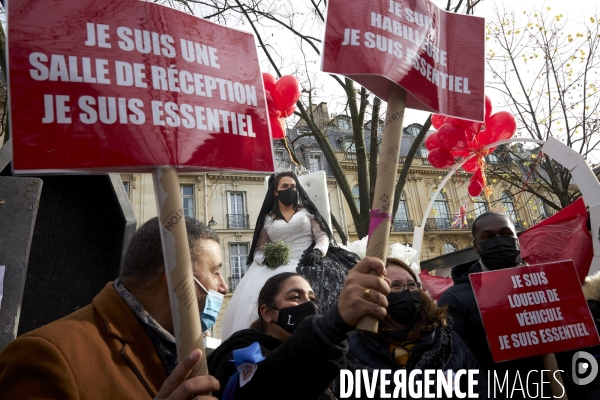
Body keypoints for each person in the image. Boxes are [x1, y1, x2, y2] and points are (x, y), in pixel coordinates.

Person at [0, 216, 227, 399]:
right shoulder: (45, 357)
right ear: (177, 278)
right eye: (215, 271)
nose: (224, 286)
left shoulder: (181, 348)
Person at [208, 257, 390, 400]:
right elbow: (260, 388)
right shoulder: (240, 351)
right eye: (295, 297)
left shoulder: (331, 356)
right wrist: (335, 323)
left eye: (312, 299)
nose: (308, 305)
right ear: (267, 313)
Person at [221, 171, 360, 339]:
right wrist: (266, 259)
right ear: (275, 191)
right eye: (285, 186)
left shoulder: (307, 212)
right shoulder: (267, 219)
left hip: (309, 258)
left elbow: (322, 236)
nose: (290, 190)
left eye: (293, 186)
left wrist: (318, 250)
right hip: (277, 265)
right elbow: (259, 249)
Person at [330, 257, 485, 399]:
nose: (407, 291)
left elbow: (481, 390)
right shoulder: (353, 352)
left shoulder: (447, 340)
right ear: (374, 293)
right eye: (396, 286)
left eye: (412, 285)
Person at [438, 211, 547, 399]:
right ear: (476, 246)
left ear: (516, 238)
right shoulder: (454, 300)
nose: (499, 240)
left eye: (506, 234)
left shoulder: (547, 282)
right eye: (488, 237)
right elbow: (459, 365)